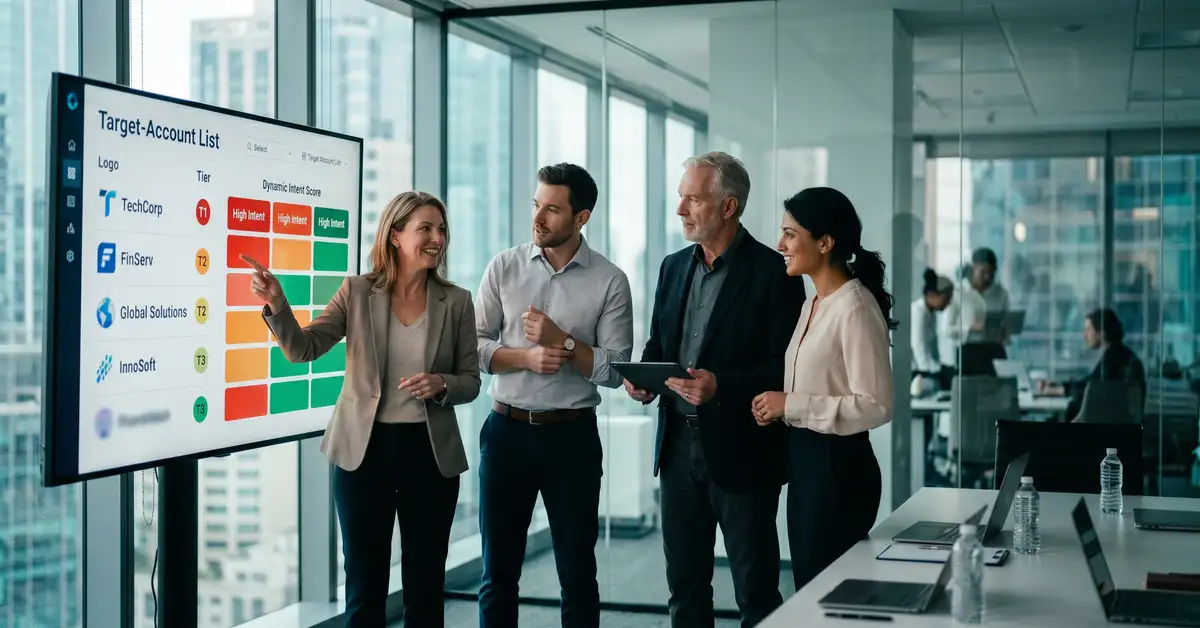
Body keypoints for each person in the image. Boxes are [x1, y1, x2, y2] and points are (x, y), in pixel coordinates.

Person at [245, 191, 480, 627]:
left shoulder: (457, 301)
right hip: (363, 454)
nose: (437, 238)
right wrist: (277, 303)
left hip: (430, 456)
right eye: (425, 228)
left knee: (425, 589)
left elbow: (471, 381)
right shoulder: (357, 292)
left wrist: (442, 383)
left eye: (441, 229)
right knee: (364, 591)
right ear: (395, 235)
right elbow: (304, 349)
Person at [625, 151, 805, 627]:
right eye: (681, 198)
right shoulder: (671, 267)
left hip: (745, 449)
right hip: (678, 448)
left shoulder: (775, 273)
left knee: (756, 591)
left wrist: (721, 386)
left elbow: (787, 368)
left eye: (693, 199)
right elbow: (658, 344)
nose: (681, 210)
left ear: (728, 207)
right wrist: (643, 379)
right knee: (684, 590)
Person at [475, 163, 633, 628]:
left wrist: (562, 342)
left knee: (577, 573)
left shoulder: (610, 280)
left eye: (552, 209)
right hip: (505, 432)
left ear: (581, 218)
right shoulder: (503, 267)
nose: (538, 218)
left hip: (572, 441)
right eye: (536, 205)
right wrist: (525, 358)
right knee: (497, 573)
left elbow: (613, 369)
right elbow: (474, 348)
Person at [751, 186, 895, 591]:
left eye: (790, 234)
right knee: (811, 590)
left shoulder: (854, 306)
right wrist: (778, 406)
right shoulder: (813, 303)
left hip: (838, 469)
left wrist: (791, 405)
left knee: (825, 595)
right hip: (807, 463)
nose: (780, 244)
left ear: (826, 242)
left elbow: (876, 405)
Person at [1040, 308, 1146, 421]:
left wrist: (1056, 390)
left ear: (1101, 332)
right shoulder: (1120, 355)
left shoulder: (1115, 361)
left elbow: (1090, 388)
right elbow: (1089, 383)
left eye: (1089, 330)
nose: (1085, 336)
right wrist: (1059, 385)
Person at [940, 247, 1010, 367]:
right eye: (983, 272)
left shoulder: (1000, 293)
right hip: (968, 352)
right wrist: (969, 328)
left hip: (995, 350)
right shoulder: (958, 293)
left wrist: (1005, 332)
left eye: (991, 273)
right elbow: (947, 330)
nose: (987, 277)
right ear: (973, 269)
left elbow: (1006, 323)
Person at [911, 268, 954, 393]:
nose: (948, 303)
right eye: (946, 298)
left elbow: (932, 349)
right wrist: (935, 371)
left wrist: (939, 367)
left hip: (924, 368)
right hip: (914, 371)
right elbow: (919, 347)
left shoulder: (932, 313)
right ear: (932, 295)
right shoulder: (917, 312)